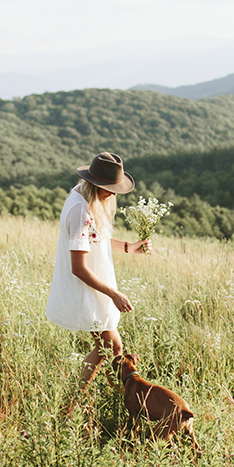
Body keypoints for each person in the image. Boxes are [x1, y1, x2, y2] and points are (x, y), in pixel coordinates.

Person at [45, 152, 151, 403]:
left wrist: (127, 246)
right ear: (97, 185)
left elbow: (96, 239)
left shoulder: (80, 193)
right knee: (111, 348)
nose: (114, 195)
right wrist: (113, 294)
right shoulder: (79, 211)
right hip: (89, 289)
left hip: (94, 288)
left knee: (111, 348)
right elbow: (79, 267)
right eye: (110, 189)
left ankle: (111, 400)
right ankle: (73, 405)